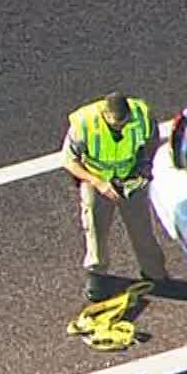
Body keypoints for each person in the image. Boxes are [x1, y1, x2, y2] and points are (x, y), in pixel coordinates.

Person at [62, 91, 169, 301]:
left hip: (130, 178)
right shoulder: (83, 124)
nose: (121, 127)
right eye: (116, 124)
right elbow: (69, 161)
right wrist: (99, 183)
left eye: (124, 122)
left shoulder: (142, 115)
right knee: (95, 228)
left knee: (141, 229)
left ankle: (154, 273)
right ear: (105, 114)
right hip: (97, 180)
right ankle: (97, 275)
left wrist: (143, 166)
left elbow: (151, 141)